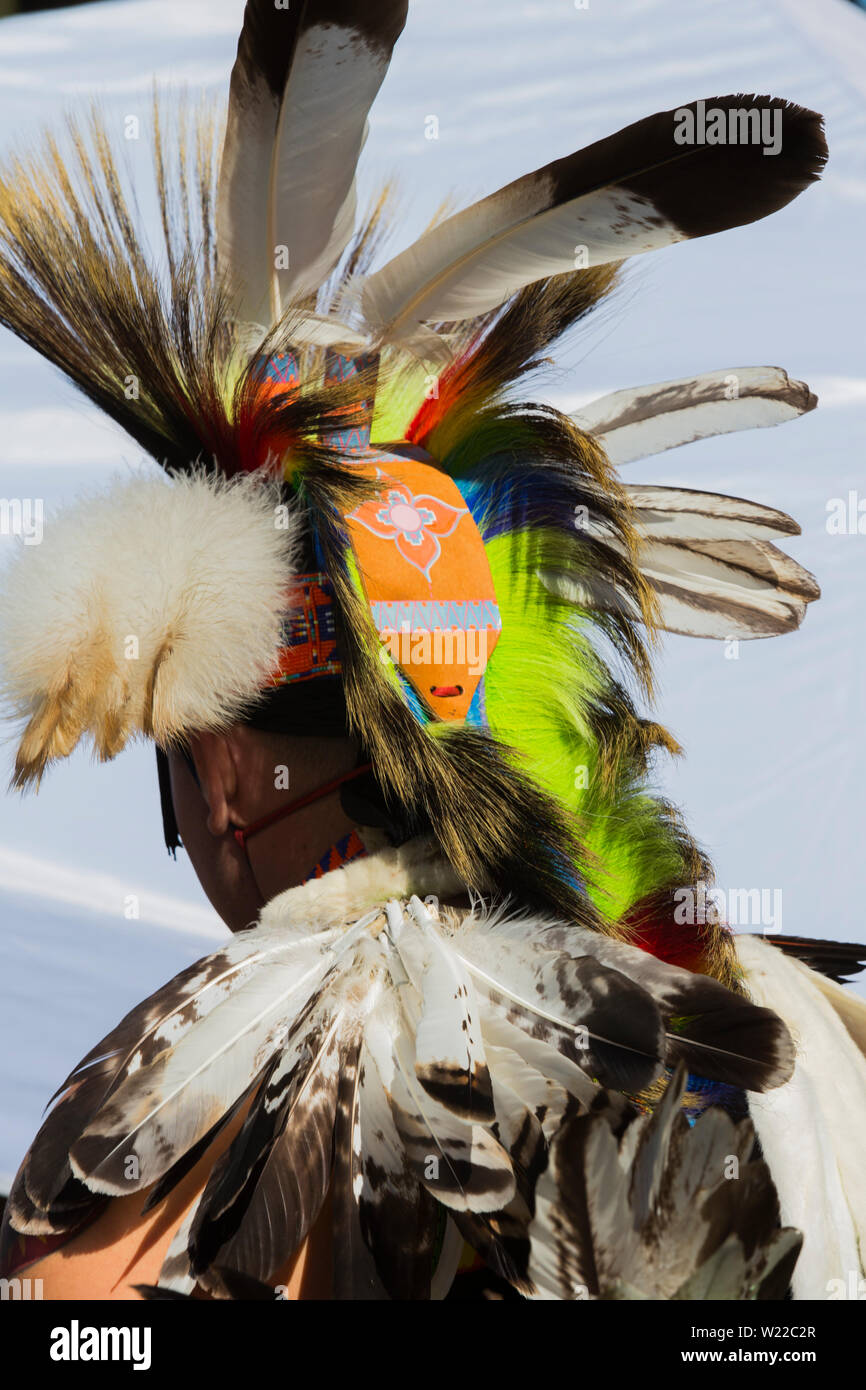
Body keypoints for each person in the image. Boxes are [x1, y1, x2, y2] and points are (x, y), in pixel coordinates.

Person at [0, 0, 863, 1302]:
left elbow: (75, 1303)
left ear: (229, 773)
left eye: (170, 781)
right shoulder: (803, 1032)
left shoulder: (217, 1078)